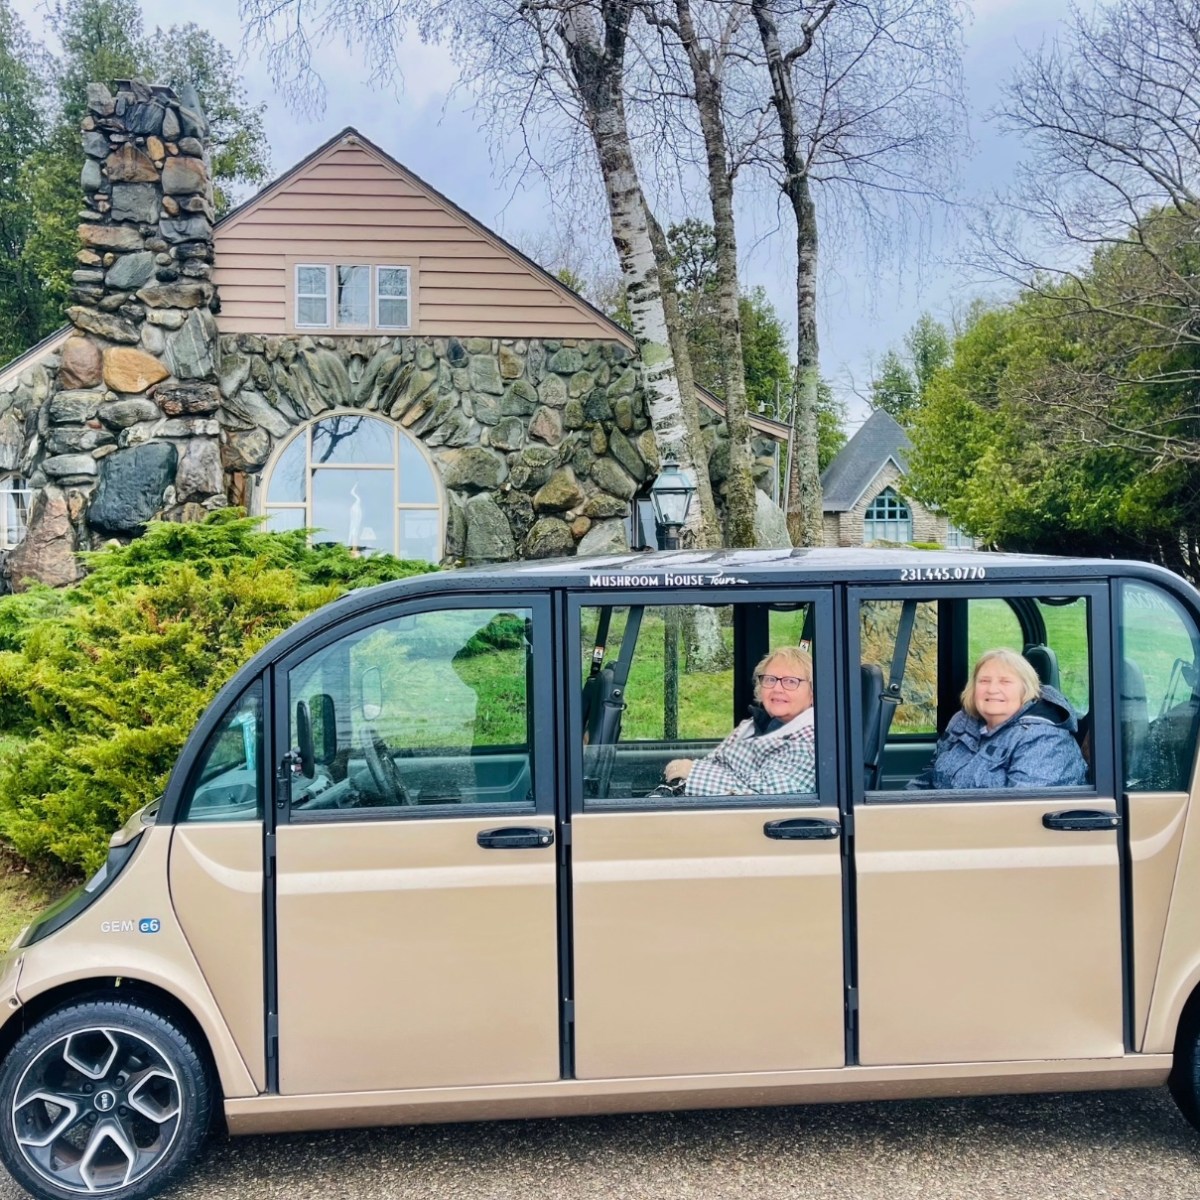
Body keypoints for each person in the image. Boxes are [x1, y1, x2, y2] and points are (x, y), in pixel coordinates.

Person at [906, 647, 1087, 790]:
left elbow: (1023, 815)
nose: (992, 689)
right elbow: (928, 779)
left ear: (1026, 690)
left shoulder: (1044, 740)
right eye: (984, 681)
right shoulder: (962, 721)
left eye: (1005, 681)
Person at [664, 646, 817, 797]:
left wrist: (693, 772)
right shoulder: (752, 726)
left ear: (812, 692)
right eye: (770, 679)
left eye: (790, 681)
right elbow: (715, 762)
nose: (777, 688)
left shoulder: (811, 740)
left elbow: (767, 797)